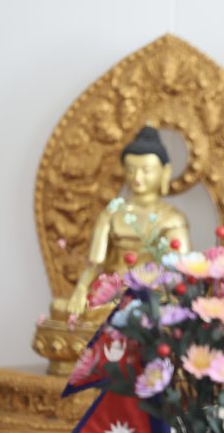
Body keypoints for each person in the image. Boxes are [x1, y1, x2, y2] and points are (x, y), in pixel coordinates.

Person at [66, 126, 191, 315]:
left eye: (146, 170)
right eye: (131, 170)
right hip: (111, 294)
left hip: (153, 295)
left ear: (165, 171)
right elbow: (95, 262)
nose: (137, 178)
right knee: (72, 310)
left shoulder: (172, 218)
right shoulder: (112, 213)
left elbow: (181, 267)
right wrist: (81, 289)